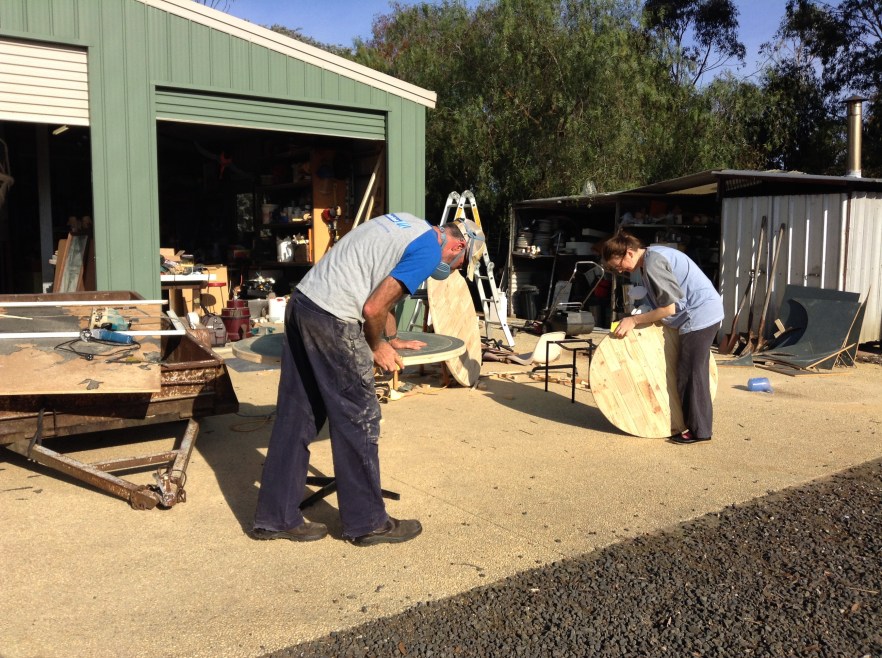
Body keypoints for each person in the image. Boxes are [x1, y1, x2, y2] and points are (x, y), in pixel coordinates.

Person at [251, 212, 486, 545]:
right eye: (460, 263)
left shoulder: (409, 224)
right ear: (458, 246)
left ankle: (275, 518)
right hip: (333, 319)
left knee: (297, 415)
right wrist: (375, 346)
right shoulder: (430, 251)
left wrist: (391, 339)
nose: (454, 268)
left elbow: (380, 290)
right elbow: (374, 308)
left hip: (303, 304)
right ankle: (367, 524)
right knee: (358, 418)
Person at [602, 230, 723, 445]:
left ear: (629, 252)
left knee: (690, 374)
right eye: (614, 268)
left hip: (700, 314)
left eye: (618, 264)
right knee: (692, 372)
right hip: (700, 312)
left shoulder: (653, 263)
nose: (619, 270)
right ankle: (697, 427)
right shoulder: (651, 257)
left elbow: (668, 308)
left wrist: (634, 320)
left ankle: (699, 431)